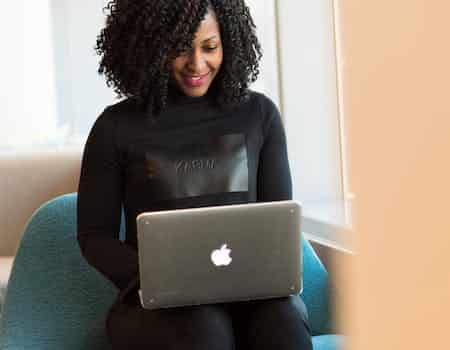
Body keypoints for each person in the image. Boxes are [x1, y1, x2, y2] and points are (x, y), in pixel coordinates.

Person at [76, 0, 312, 349]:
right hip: (158, 305)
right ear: (152, 47)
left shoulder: (259, 115)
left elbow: (276, 225)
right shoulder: (115, 127)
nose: (197, 64)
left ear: (228, 42)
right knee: (205, 326)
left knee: (283, 323)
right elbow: (95, 237)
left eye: (210, 47)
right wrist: (160, 278)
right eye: (179, 49)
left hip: (249, 295)